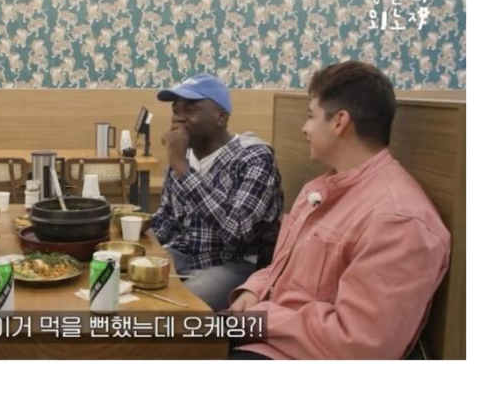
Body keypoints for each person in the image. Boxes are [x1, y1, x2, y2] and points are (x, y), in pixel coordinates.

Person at [227, 61, 450, 359]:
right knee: (168, 336)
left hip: (296, 357)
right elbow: (282, 268)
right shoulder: (317, 188)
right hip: (266, 337)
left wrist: (261, 321)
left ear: (339, 122)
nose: (304, 128)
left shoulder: (400, 221)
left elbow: (361, 343)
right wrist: (254, 290)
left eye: (311, 116)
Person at [152, 73, 284, 311]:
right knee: (134, 277)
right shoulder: (184, 155)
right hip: (186, 253)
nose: (179, 118)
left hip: (235, 263)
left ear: (220, 117)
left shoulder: (254, 157)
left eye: (190, 110)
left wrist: (181, 167)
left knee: (179, 306)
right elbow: (167, 216)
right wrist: (138, 244)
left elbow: (237, 228)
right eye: (176, 110)